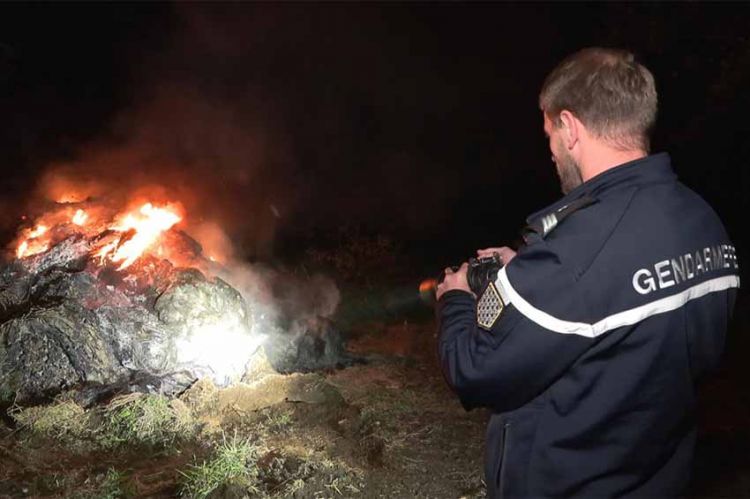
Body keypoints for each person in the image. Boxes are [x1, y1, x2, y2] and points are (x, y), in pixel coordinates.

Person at [436, 47, 740, 498]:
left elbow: (473, 372)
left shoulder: (574, 256)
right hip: (659, 479)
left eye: (550, 137)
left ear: (570, 127)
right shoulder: (705, 224)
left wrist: (457, 298)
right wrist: (529, 276)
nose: (552, 155)